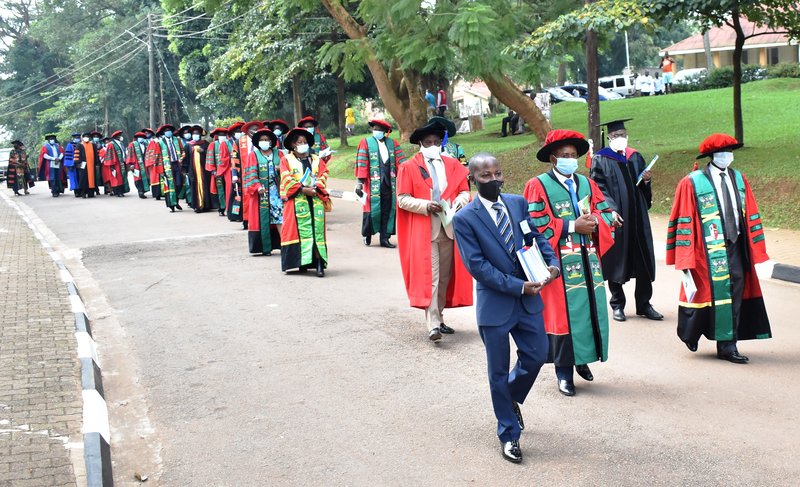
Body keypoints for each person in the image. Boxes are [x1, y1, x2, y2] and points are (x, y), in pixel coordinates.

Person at [453, 152, 560, 463]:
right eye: (486, 176)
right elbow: (478, 266)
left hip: (529, 300)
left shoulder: (517, 203)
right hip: (496, 305)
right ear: (472, 179)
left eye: (498, 173)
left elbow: (535, 237)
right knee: (497, 371)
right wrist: (517, 286)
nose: (494, 180)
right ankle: (509, 434)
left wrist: (551, 265)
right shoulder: (464, 219)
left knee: (537, 354)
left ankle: (510, 398)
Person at [523, 129, 615, 396]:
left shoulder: (587, 184)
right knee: (563, 317)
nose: (570, 159)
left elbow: (604, 212)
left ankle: (583, 358)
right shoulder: (538, 185)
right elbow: (535, 225)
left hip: (588, 261)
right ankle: (564, 372)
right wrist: (572, 225)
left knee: (588, 311)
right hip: (559, 264)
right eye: (564, 155)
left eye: (573, 155)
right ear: (553, 158)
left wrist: (597, 221)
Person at [666, 134, 771, 363]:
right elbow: (683, 217)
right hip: (706, 250)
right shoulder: (692, 181)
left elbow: (749, 211)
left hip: (735, 245)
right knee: (703, 294)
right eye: (722, 152)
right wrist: (686, 255)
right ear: (711, 156)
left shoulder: (739, 179)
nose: (727, 156)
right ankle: (690, 332)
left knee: (733, 292)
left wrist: (753, 245)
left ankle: (727, 345)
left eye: (730, 151)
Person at [396, 120, 472, 341]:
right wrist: (426, 206)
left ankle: (439, 316)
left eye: (436, 142)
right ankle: (433, 325)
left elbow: (465, 192)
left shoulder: (453, 165)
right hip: (425, 231)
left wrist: (458, 203)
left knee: (445, 278)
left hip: (448, 228)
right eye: (428, 142)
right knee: (432, 277)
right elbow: (402, 199)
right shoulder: (409, 167)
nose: (432, 145)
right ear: (420, 143)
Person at [590, 119, 662, 322]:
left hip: (638, 216)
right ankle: (617, 304)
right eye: (615, 135)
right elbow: (598, 188)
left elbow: (641, 186)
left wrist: (646, 180)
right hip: (618, 217)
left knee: (644, 258)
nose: (620, 138)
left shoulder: (635, 156)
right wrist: (610, 210)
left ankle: (644, 304)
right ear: (609, 137)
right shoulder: (600, 159)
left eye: (622, 134)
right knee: (616, 259)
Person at [279, 127, 331, 277]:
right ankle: (301, 262)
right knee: (298, 230)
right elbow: (286, 178)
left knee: (317, 230)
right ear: (293, 145)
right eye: (299, 142)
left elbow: (324, 174)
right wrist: (302, 189)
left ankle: (319, 262)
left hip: (315, 198)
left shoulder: (316, 159)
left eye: (305, 141)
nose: (303, 144)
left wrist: (317, 187)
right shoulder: (286, 160)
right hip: (297, 200)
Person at [354, 119, 406, 247]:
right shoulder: (366, 142)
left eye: (379, 129)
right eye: (375, 129)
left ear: (385, 132)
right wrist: (359, 183)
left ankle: (384, 238)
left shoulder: (393, 143)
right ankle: (367, 235)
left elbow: (402, 162)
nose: (376, 131)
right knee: (372, 210)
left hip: (389, 183)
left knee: (387, 210)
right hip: (372, 184)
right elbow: (362, 163)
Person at [244, 128, 284, 256]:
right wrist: (257, 186)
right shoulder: (253, 155)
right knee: (265, 220)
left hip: (278, 193)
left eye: (267, 139)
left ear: (271, 141)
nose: (264, 142)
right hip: (263, 193)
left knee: (280, 218)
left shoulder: (280, 154)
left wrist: (280, 168)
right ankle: (266, 248)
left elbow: (289, 170)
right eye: (262, 140)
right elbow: (250, 174)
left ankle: (286, 244)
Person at [145, 124, 185, 212]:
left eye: (169, 130)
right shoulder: (159, 142)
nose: (168, 132)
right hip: (167, 166)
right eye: (166, 131)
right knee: (170, 185)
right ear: (163, 133)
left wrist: (182, 159)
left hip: (177, 165)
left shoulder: (177, 140)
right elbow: (157, 157)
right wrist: (160, 170)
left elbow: (183, 151)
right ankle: (172, 205)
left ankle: (176, 200)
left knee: (179, 184)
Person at [182, 125, 214, 212]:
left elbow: (210, 155)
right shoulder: (188, 146)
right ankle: (197, 206)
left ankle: (206, 205)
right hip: (193, 171)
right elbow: (185, 159)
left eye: (197, 133)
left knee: (205, 186)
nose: (195, 135)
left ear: (200, 135)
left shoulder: (205, 144)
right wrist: (185, 170)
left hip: (204, 170)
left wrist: (203, 151)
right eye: (193, 133)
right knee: (194, 187)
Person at [219, 121, 244, 222]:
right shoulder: (225, 143)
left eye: (241, 131)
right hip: (230, 171)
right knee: (234, 193)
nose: (239, 133)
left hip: (243, 171)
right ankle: (233, 213)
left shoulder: (244, 142)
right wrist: (232, 158)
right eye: (237, 131)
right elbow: (222, 159)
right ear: (233, 133)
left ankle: (243, 213)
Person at [204, 128, 227, 214]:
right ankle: (221, 207)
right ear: (217, 136)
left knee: (229, 189)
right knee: (220, 190)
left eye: (224, 135)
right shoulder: (213, 145)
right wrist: (213, 170)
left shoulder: (229, 143)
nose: (222, 136)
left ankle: (228, 206)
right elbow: (210, 158)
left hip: (228, 171)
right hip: (218, 172)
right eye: (220, 135)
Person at [73, 132, 100, 198]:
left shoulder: (93, 145)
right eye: (85, 136)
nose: (86, 137)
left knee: (92, 178)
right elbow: (77, 154)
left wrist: (97, 162)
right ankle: (83, 192)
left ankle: (91, 192)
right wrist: (78, 163)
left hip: (91, 164)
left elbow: (96, 155)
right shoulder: (79, 145)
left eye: (87, 136)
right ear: (82, 138)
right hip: (83, 164)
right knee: (83, 178)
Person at [103, 130, 129, 197]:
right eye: (119, 136)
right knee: (117, 178)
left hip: (122, 163)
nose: (120, 137)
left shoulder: (121, 144)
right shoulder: (111, 144)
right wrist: (111, 165)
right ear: (116, 137)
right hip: (115, 164)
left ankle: (122, 191)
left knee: (122, 177)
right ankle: (118, 192)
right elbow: (109, 155)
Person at [126, 131, 150, 199]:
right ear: (137, 138)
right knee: (138, 179)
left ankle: (144, 190)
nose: (141, 138)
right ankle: (140, 191)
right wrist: (131, 164)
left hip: (145, 164)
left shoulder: (146, 144)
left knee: (147, 178)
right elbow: (130, 154)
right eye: (139, 137)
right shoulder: (132, 144)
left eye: (142, 137)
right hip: (136, 164)